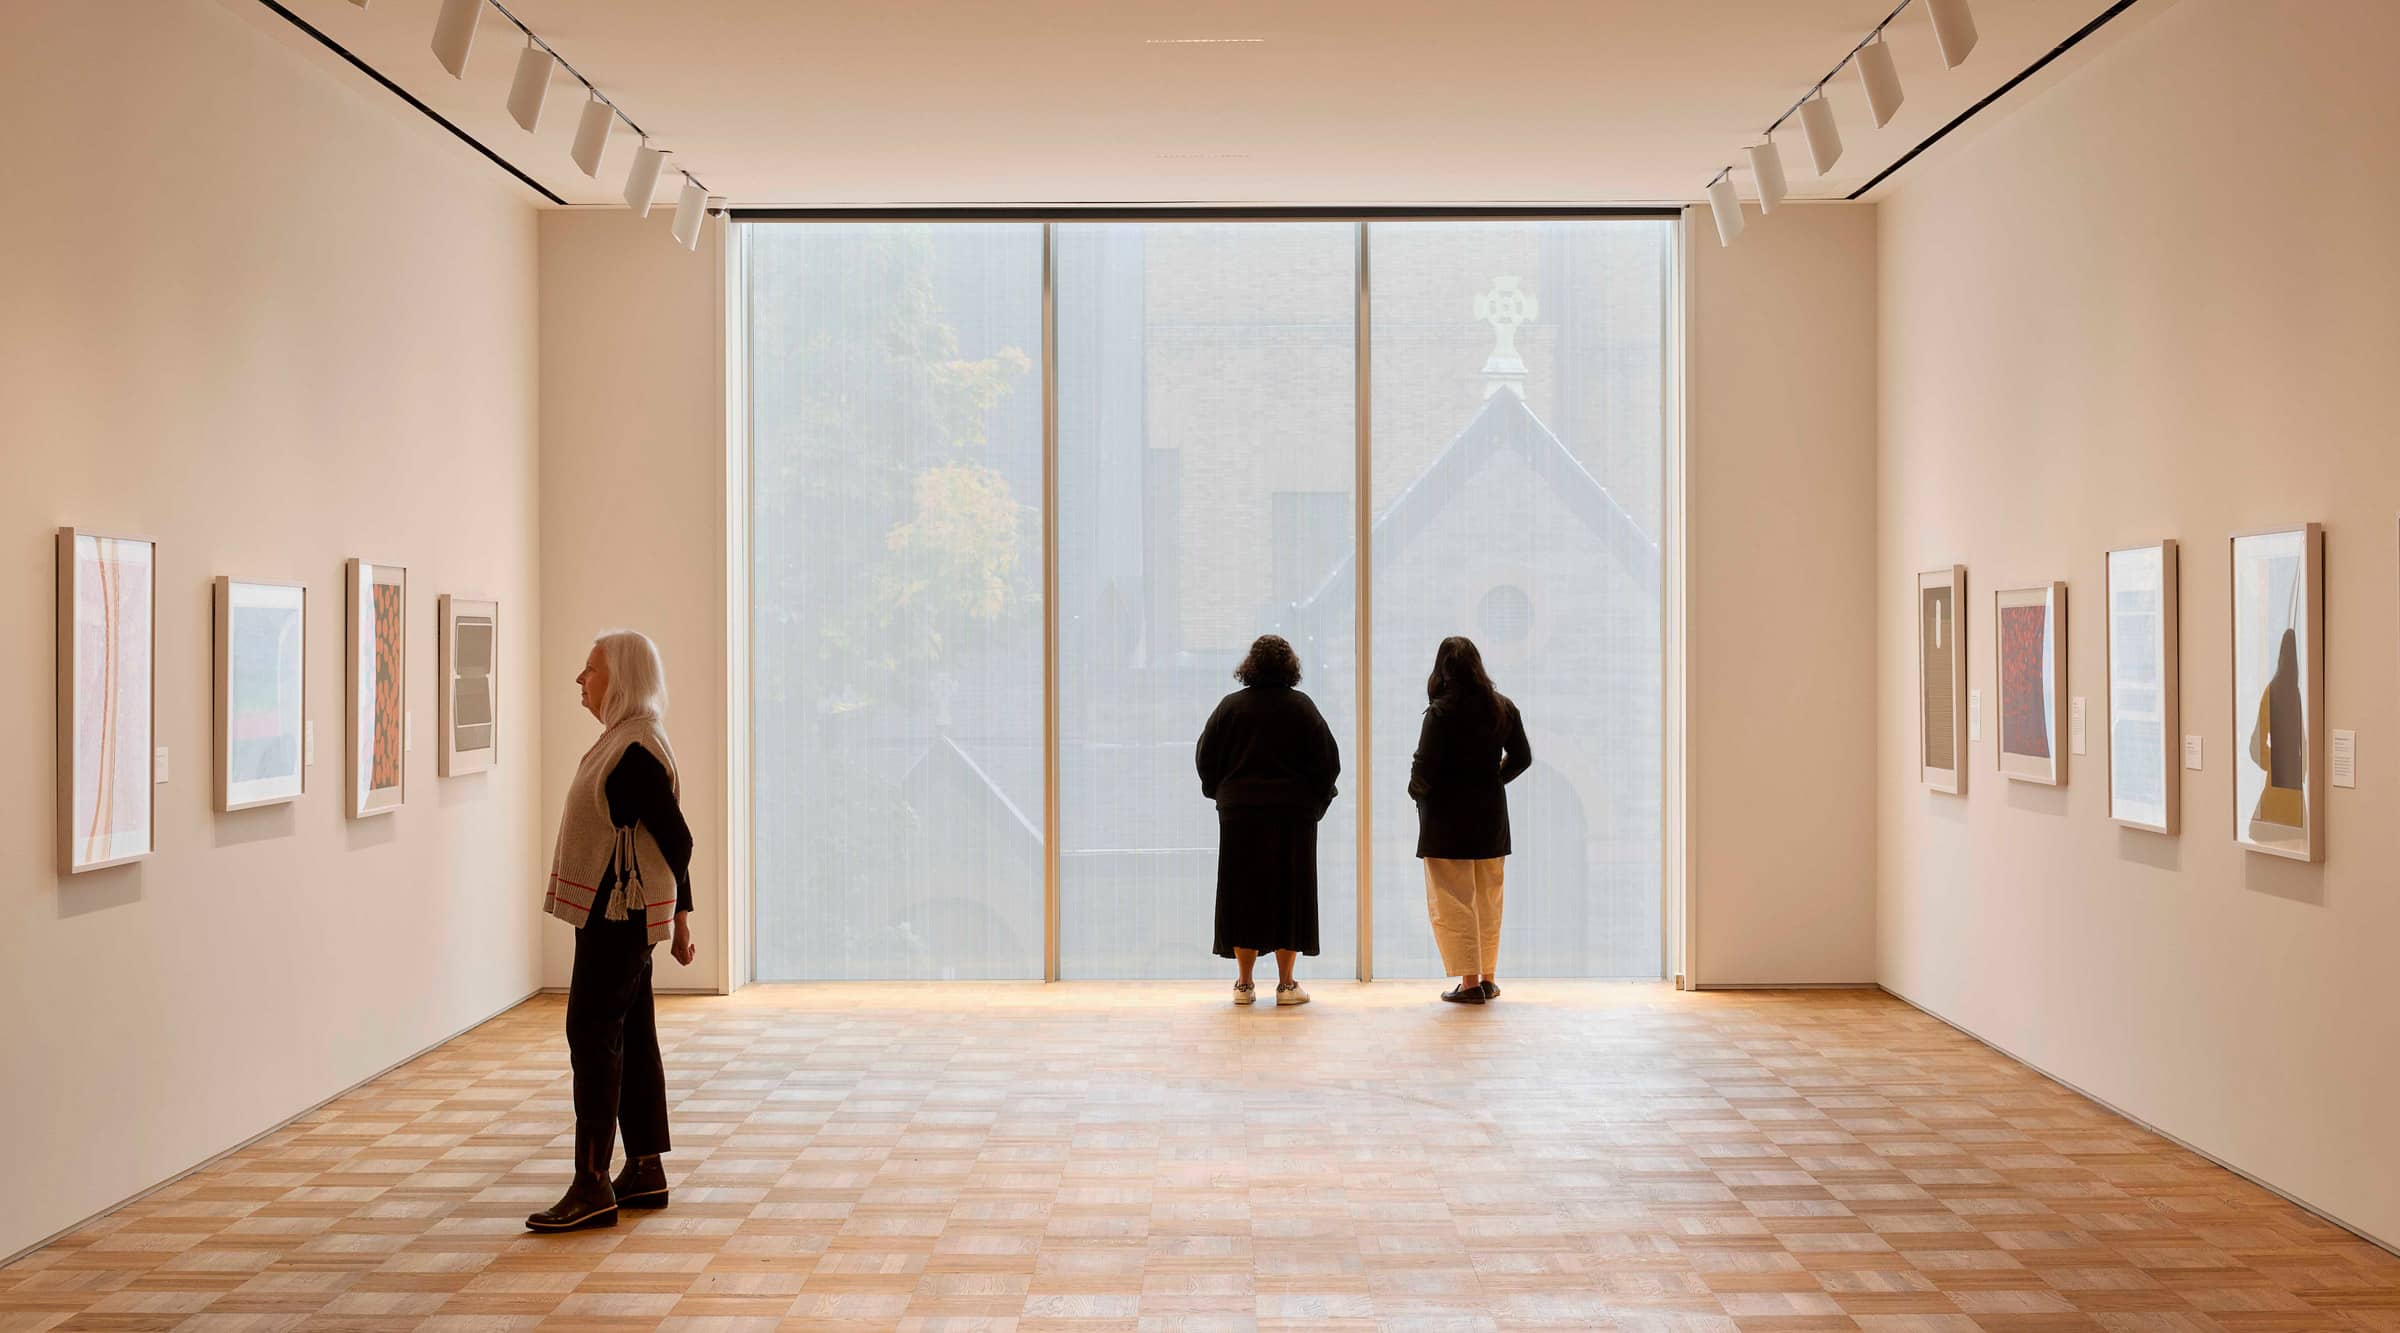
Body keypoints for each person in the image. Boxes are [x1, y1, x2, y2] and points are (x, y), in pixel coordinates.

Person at [528, 630, 697, 1232]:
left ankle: (592, 1183)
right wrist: (677, 917)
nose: (581, 679)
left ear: (620, 678)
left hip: (618, 915)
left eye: (591, 669)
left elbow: (677, 840)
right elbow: (668, 842)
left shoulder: (633, 750)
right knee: (631, 1031)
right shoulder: (624, 740)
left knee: (592, 1032)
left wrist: (679, 917)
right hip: (621, 912)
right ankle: (645, 1168)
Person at [1196, 634, 1341, 1007]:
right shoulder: (1303, 708)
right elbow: (1328, 762)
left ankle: (1244, 984)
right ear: (1291, 667)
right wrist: (1315, 802)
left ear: (1250, 666)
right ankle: (1287, 984)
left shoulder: (1230, 708)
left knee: (1241, 892)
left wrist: (1222, 793)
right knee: (1290, 894)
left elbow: (1205, 758)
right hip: (1293, 814)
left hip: (1240, 813)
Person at [1408, 636, 1531, 1005]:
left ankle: (1469, 983)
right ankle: (1488, 978)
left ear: (1443, 670)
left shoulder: (1441, 712)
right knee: (1489, 900)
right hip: (1490, 817)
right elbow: (1522, 757)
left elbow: (1424, 766)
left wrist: (1417, 793)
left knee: (1454, 900)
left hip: (1447, 821)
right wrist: (1493, 780)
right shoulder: (1503, 707)